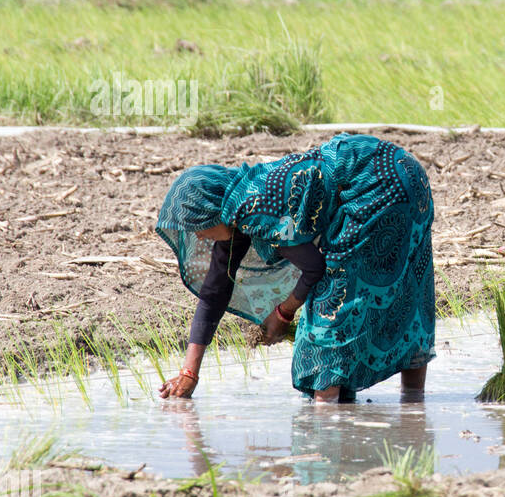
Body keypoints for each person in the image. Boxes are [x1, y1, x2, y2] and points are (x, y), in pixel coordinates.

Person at [155, 133, 435, 403]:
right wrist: (189, 373)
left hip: (377, 183)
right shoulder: (236, 207)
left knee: (331, 306)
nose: (199, 236)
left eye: (199, 227)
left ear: (212, 210)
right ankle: (413, 402)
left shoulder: (254, 207)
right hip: (407, 171)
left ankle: (326, 422)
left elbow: (314, 267)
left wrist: (283, 313)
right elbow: (214, 291)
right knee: (409, 286)